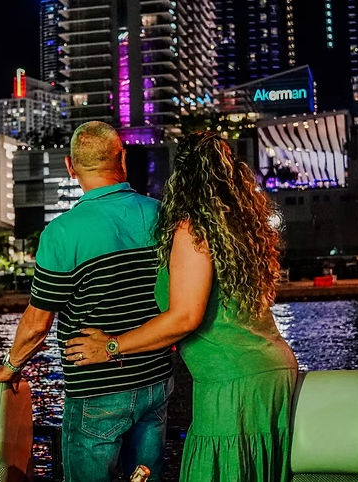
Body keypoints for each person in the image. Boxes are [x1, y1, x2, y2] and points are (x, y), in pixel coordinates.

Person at [65, 131, 298, 481]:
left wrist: (111, 346)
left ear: (181, 177)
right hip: (272, 372)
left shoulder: (193, 229)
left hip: (231, 382)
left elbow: (186, 316)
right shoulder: (239, 227)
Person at [0, 121, 173, 482]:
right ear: (122, 158)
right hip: (155, 381)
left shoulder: (61, 233)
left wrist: (9, 367)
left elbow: (37, 326)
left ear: (70, 166)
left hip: (96, 390)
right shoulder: (160, 214)